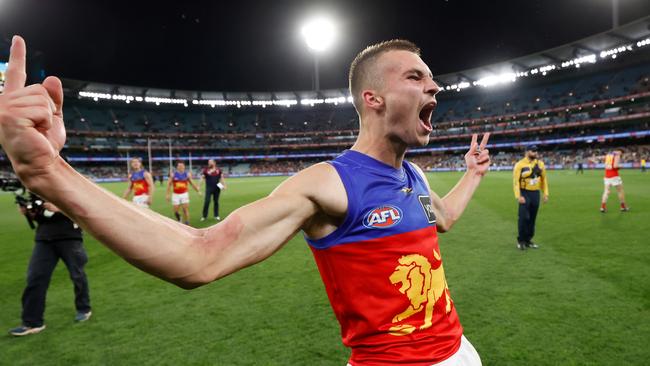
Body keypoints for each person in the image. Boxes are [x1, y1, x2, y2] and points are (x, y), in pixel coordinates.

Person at [0, 37, 490, 365]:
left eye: (431, 78)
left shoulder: (413, 174)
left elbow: (442, 218)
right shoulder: (328, 185)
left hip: (461, 349)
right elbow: (199, 256)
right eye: (416, 77)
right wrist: (48, 173)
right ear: (373, 98)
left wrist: (470, 175)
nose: (435, 86)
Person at [9, 197, 92, 336]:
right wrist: (29, 213)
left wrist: (60, 208)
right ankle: (33, 322)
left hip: (70, 237)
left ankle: (84, 309)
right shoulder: (36, 193)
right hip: (44, 239)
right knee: (35, 278)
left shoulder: (64, 187)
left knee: (77, 275)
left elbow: (84, 208)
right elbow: (42, 218)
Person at [512, 146, 548, 250]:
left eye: (536, 151)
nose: (535, 153)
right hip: (524, 192)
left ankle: (528, 240)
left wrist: (545, 194)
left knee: (532, 218)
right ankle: (521, 241)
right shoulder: (520, 164)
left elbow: (543, 179)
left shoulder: (540, 164)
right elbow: (515, 182)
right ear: (527, 152)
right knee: (523, 217)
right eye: (533, 151)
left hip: (535, 193)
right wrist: (518, 196)